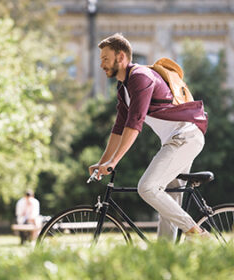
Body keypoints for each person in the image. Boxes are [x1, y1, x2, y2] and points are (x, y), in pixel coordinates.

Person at [89, 33, 209, 241]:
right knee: (167, 202)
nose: (102, 65)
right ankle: (165, 258)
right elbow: (118, 129)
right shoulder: (123, 87)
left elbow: (134, 123)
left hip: (185, 137)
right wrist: (103, 162)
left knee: (147, 187)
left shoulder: (140, 77)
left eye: (105, 59)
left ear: (120, 57)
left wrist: (114, 162)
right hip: (178, 140)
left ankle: (197, 233)